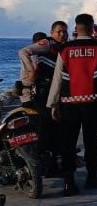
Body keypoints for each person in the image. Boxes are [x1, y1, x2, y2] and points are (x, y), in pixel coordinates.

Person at [47, 13, 97, 195]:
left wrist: (52, 103)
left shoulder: (65, 49)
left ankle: (69, 183)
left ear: (75, 28)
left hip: (69, 102)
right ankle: (92, 178)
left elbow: (57, 78)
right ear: (92, 28)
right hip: (93, 102)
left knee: (68, 143)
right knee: (91, 141)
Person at [18, 21, 69, 157]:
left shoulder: (63, 48)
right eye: (59, 31)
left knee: (55, 126)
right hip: (41, 93)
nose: (62, 34)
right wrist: (31, 72)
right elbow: (23, 52)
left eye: (65, 31)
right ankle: (42, 154)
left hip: (54, 91)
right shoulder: (48, 44)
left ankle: (53, 154)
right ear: (52, 33)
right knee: (44, 125)